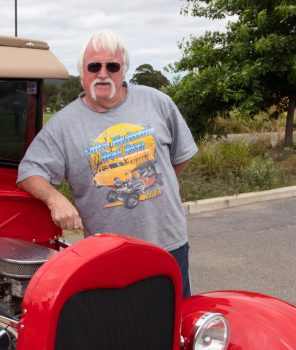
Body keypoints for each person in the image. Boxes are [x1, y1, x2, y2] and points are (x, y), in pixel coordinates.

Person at [17, 31, 197, 297]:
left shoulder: (156, 102)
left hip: (169, 245)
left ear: (123, 69)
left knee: (175, 326)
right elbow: (28, 172)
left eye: (112, 66)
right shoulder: (64, 126)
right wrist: (56, 200)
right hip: (109, 254)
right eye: (94, 66)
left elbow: (180, 158)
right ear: (82, 72)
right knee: (117, 332)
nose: (103, 73)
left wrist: (154, 184)